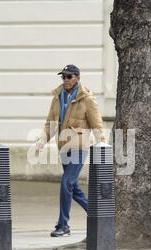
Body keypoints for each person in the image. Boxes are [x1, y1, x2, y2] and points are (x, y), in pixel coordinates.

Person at [35, 65, 106, 237]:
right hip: (63, 149)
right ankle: (100, 216)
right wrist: (42, 140)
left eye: (69, 77)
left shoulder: (87, 99)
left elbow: (97, 125)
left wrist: (102, 144)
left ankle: (63, 225)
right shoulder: (58, 97)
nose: (65, 80)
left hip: (79, 148)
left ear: (77, 78)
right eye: (63, 77)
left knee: (66, 183)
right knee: (73, 187)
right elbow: (50, 124)